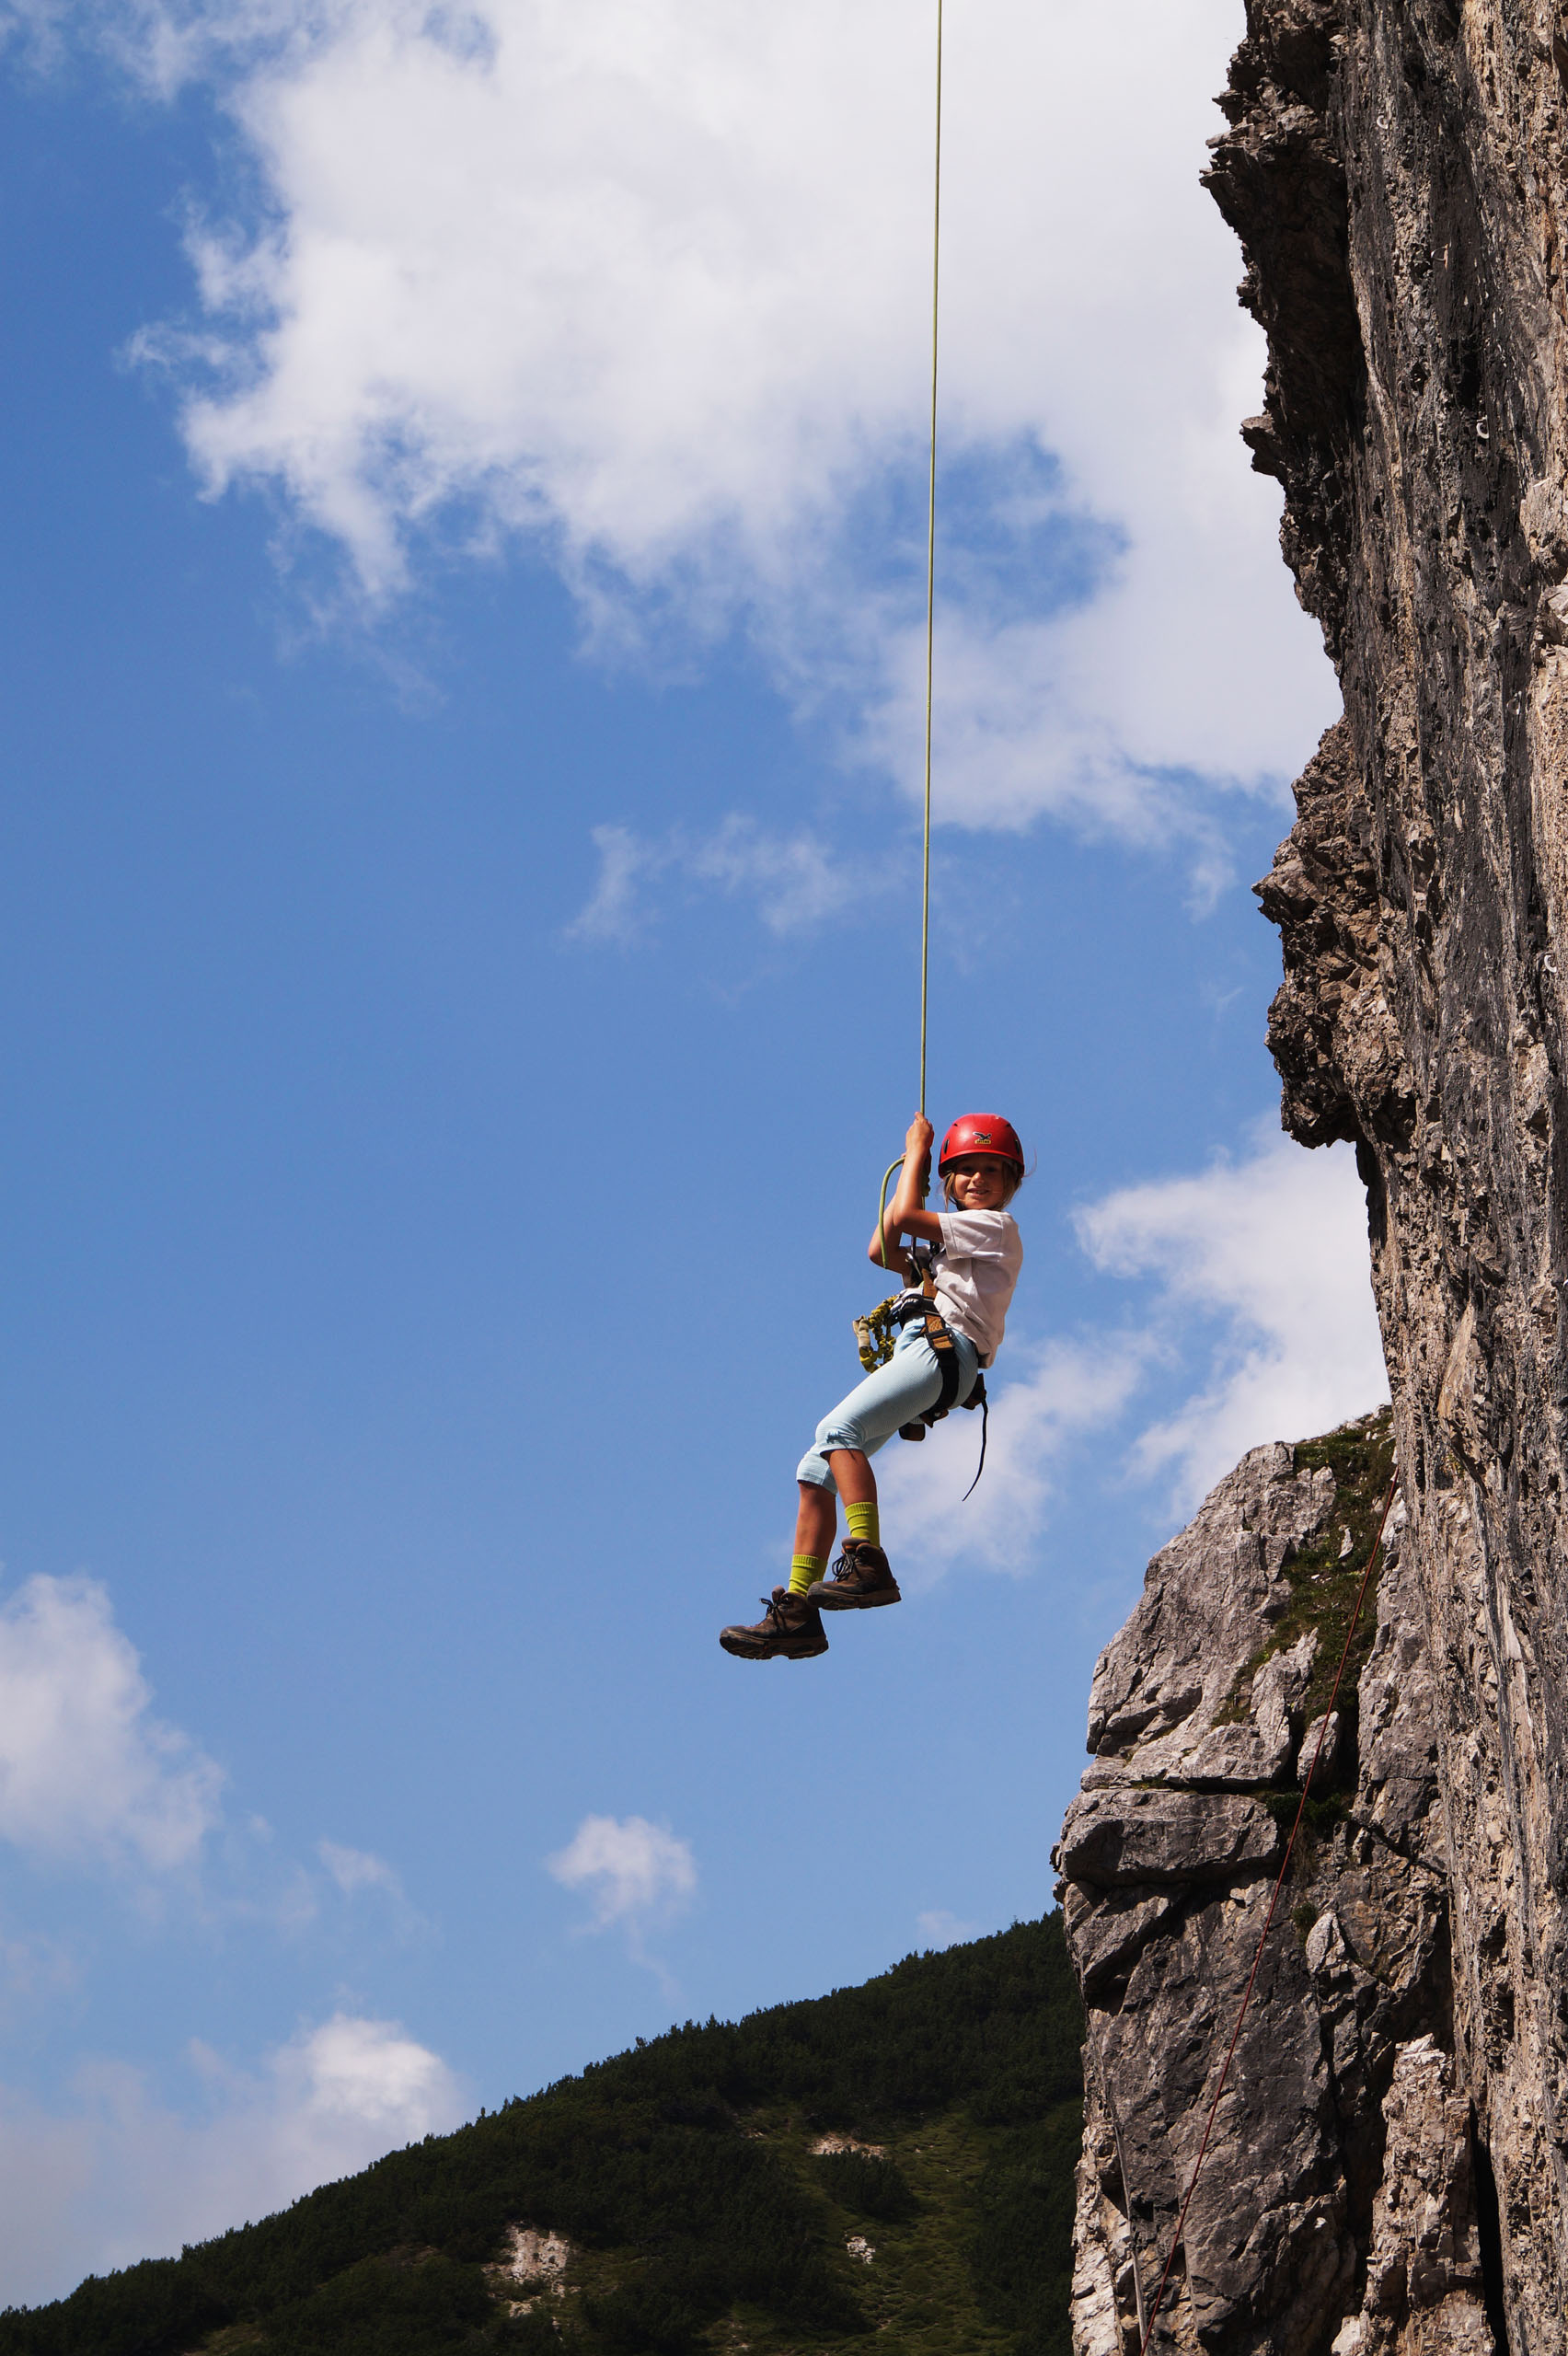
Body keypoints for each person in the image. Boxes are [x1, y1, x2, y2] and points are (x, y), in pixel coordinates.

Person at [720, 1111, 1025, 1661]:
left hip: (944, 1349)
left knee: (838, 1430)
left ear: (1012, 1183)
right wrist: (918, 1167)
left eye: (992, 1171)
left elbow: (906, 1215)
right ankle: (797, 1611)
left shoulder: (995, 1229)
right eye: (967, 1171)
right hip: (926, 1350)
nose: (979, 1180)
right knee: (815, 1469)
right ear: (949, 1182)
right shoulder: (949, 1245)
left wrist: (915, 1156)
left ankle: (869, 1560)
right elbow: (882, 1249)